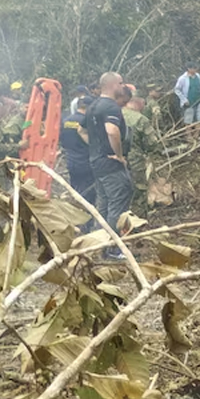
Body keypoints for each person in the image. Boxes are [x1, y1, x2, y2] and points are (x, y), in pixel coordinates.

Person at [85, 72, 132, 260]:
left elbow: (84, 131)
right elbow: (112, 131)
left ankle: (101, 245)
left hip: (96, 161)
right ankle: (113, 247)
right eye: (121, 83)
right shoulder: (111, 106)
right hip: (110, 163)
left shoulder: (93, 106)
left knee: (104, 204)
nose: (123, 86)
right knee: (118, 203)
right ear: (113, 85)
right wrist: (119, 155)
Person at [121, 92, 158, 217]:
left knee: (121, 188)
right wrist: (148, 151)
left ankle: (122, 216)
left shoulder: (116, 114)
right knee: (140, 188)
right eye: (143, 104)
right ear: (138, 103)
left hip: (115, 158)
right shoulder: (140, 119)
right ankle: (139, 218)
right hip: (135, 158)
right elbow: (152, 142)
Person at [60, 96, 95, 223]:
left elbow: (62, 141)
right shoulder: (87, 121)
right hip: (86, 163)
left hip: (71, 162)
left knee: (76, 192)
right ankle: (86, 225)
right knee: (88, 197)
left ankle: (75, 220)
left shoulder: (66, 121)